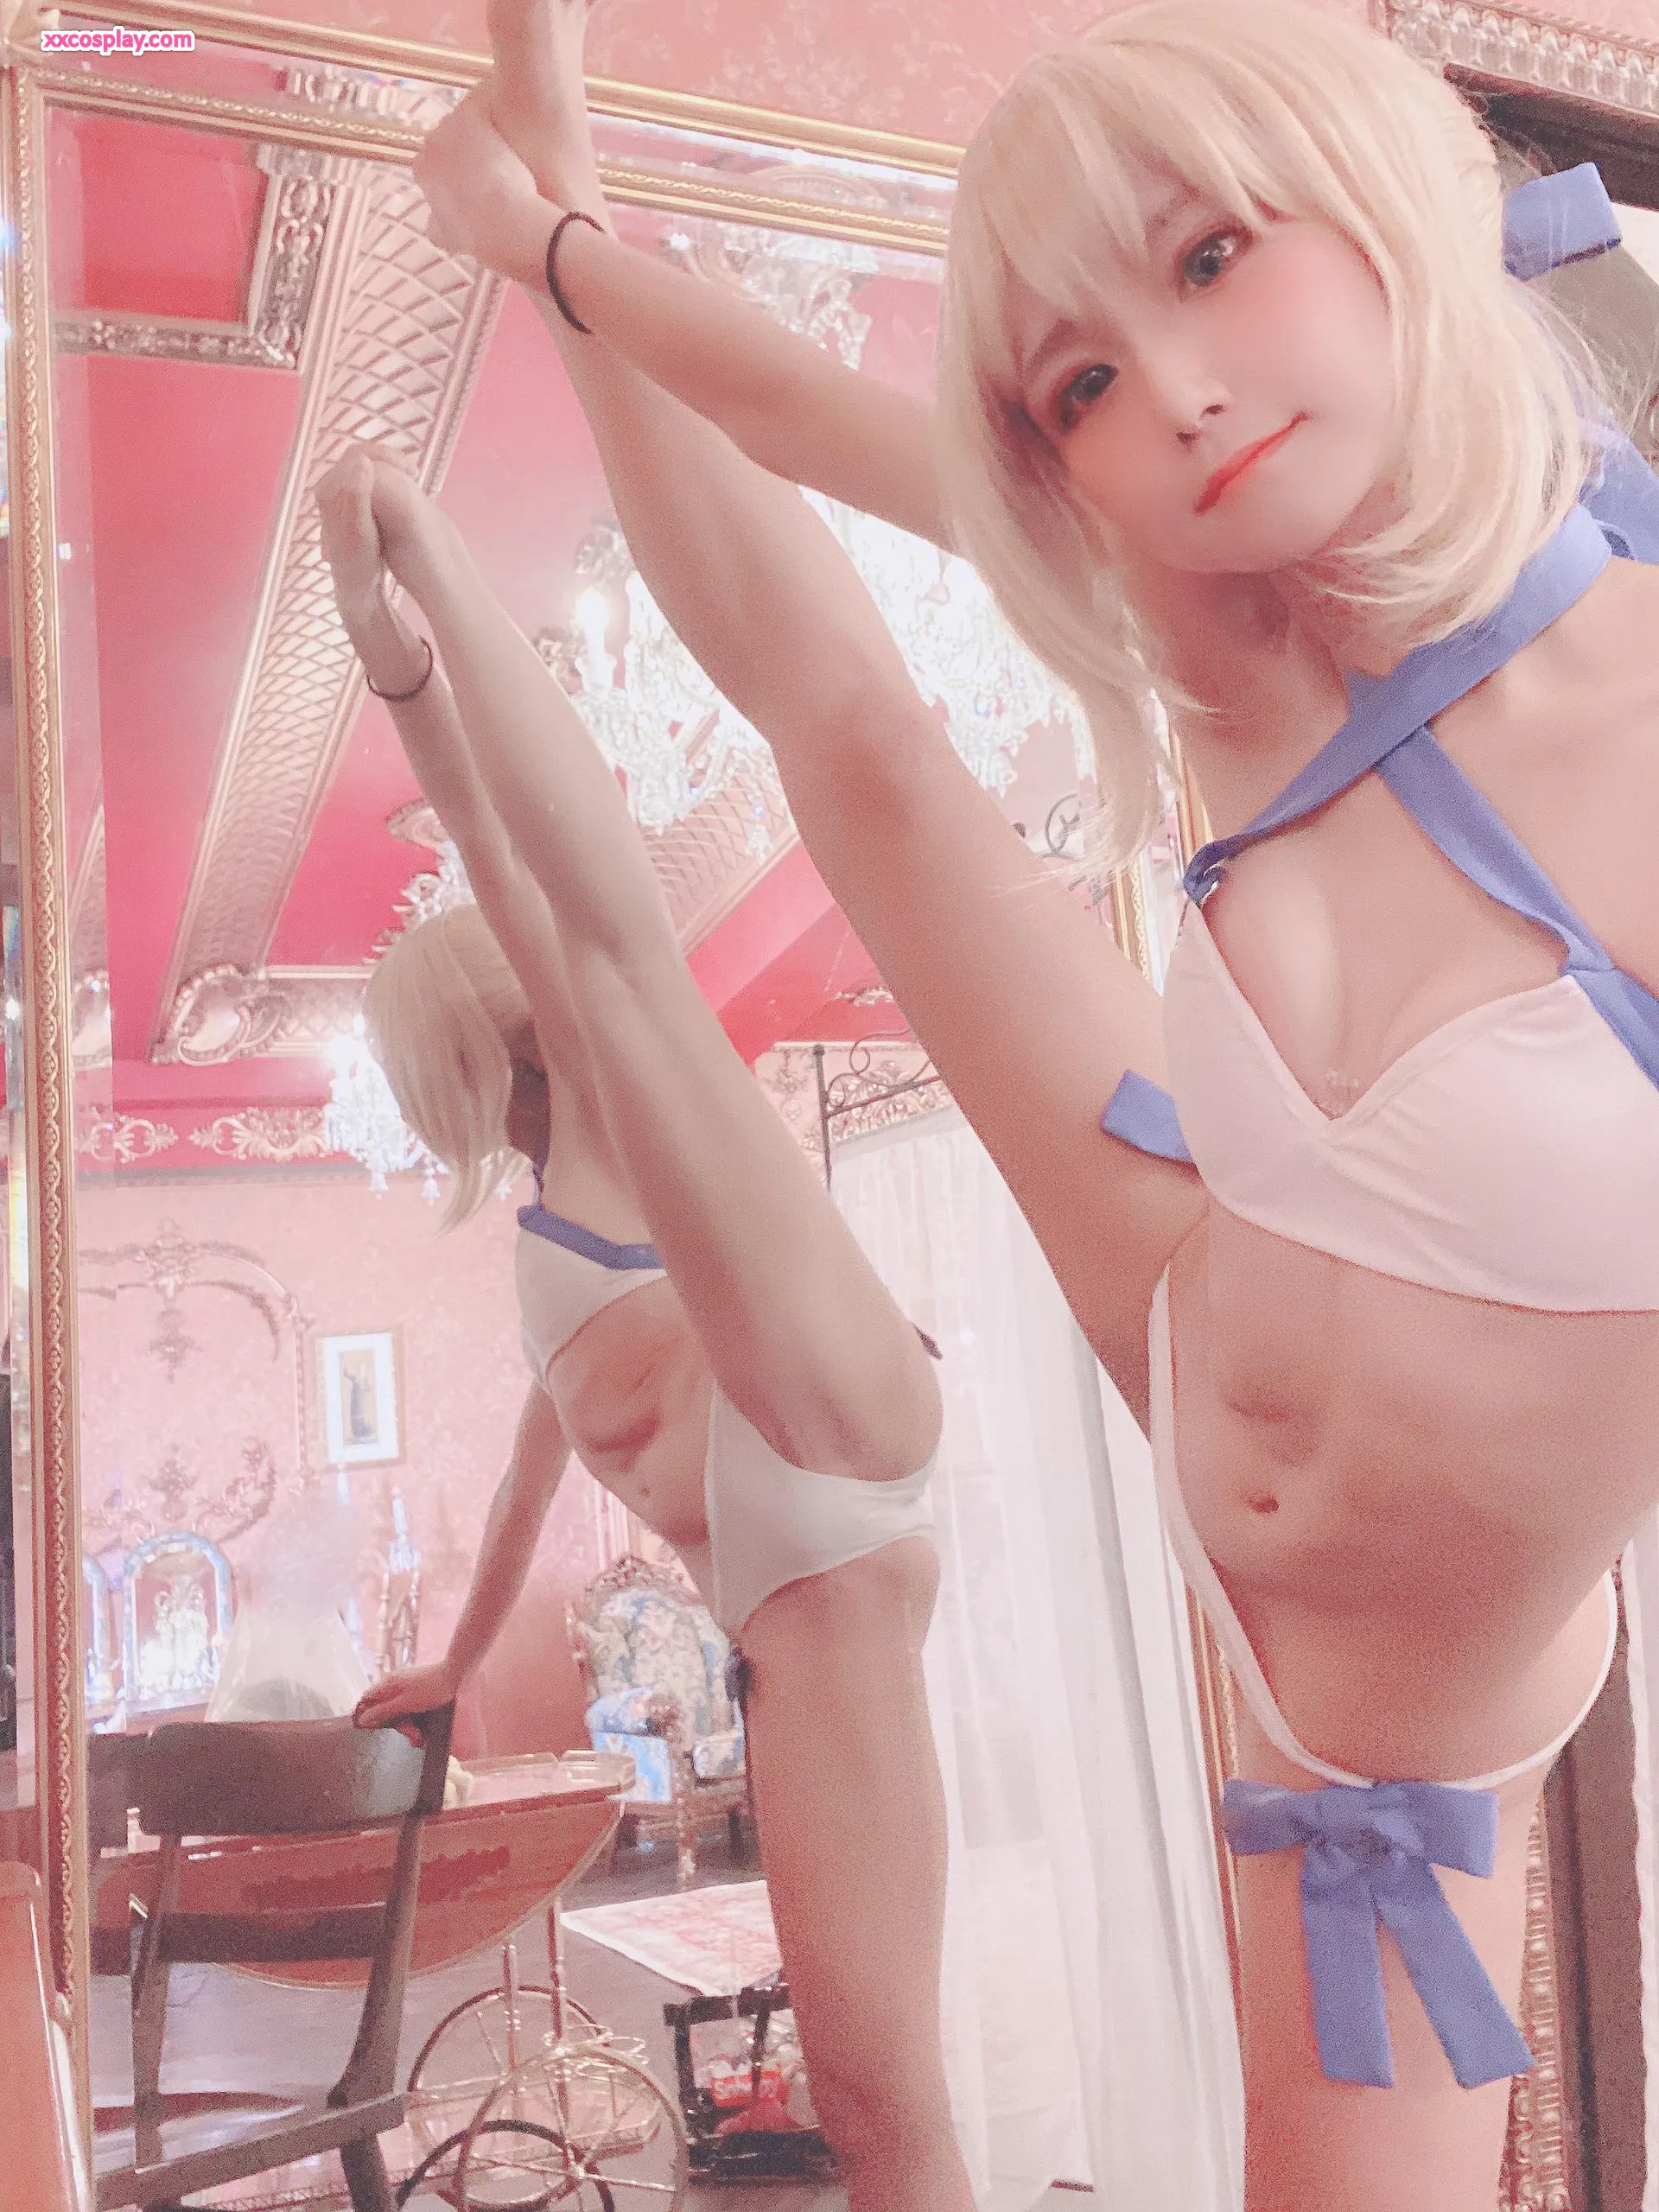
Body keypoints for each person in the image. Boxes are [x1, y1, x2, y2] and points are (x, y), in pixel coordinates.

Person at [410, 3, 1659, 2207]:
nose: (1172, 390)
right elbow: (805, 442)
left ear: (1382, 211)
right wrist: (554, 230)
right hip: (1189, 1298)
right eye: (1078, 380)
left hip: (1394, 1704)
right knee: (855, 743)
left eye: (1212, 257)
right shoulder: (1232, 629)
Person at [318, 448, 972, 2212]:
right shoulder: (555, 1218)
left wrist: (402, 641)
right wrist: (457, 1658)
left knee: (886, 2095)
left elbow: (510, 845)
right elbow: (541, 1456)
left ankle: (439, 563)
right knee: (870, 2094)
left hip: (802, 1449)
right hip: (787, 1551)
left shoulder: (603, 1091)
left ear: (471, 1048)